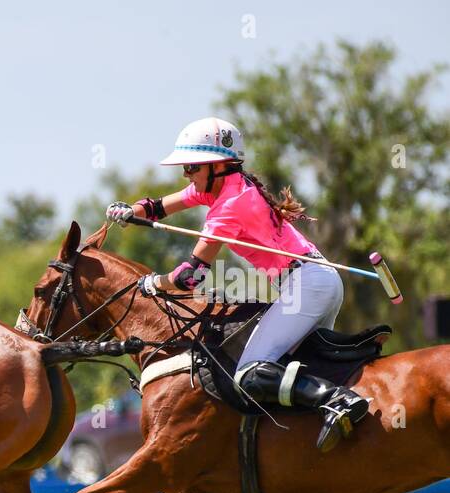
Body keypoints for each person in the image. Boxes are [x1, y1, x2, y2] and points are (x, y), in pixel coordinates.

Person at [106, 116, 368, 452]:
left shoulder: (230, 206)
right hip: (315, 281)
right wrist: (131, 211)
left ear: (217, 165)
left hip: (307, 285)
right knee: (290, 368)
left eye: (191, 167)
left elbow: (190, 276)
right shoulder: (222, 187)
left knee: (250, 373)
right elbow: (158, 208)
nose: (186, 174)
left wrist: (153, 284)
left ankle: (340, 401)